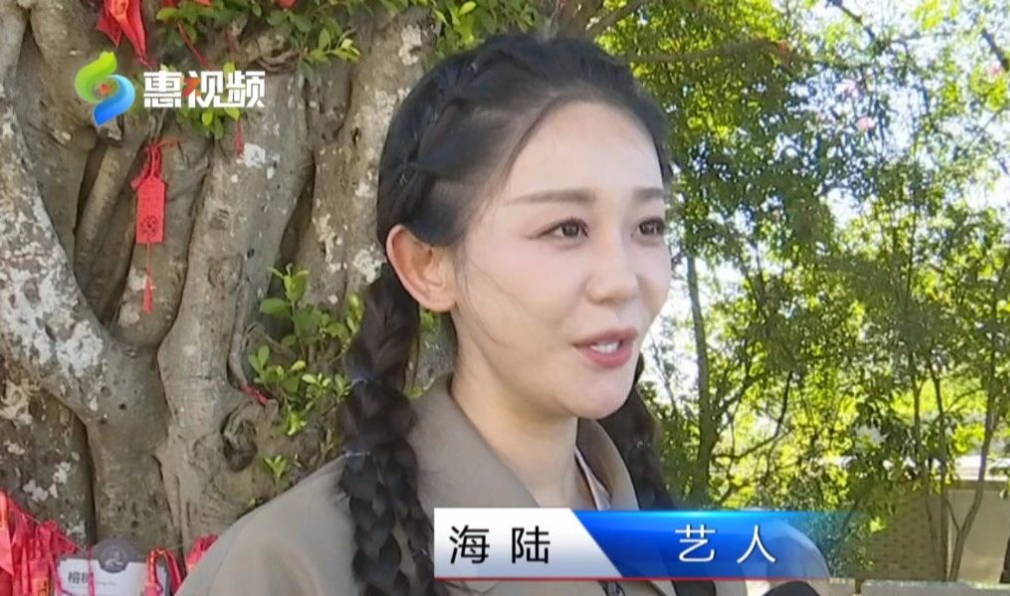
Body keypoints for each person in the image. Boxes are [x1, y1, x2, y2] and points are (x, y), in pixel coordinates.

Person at [175, 32, 830, 596]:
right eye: (567, 228)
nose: (623, 280)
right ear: (428, 265)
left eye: (649, 226)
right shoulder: (288, 568)